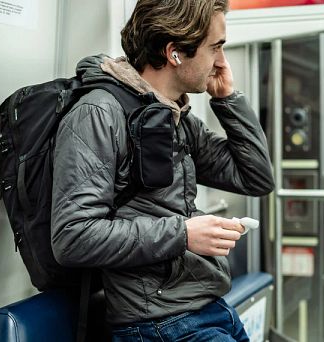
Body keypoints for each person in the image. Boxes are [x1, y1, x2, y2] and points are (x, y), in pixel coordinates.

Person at [51, 0, 275, 340]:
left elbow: (255, 177)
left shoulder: (177, 119)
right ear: (174, 53)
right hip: (159, 325)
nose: (220, 61)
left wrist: (227, 99)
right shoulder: (99, 114)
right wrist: (183, 234)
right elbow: (73, 236)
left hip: (210, 308)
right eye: (215, 47)